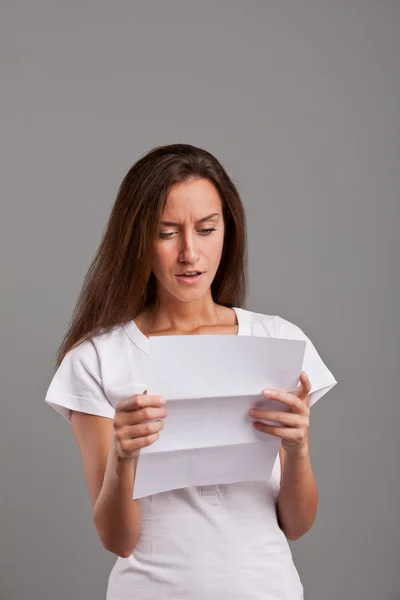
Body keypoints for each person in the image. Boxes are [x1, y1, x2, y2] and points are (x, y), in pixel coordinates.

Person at [45, 143, 337, 600]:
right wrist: (124, 457)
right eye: (166, 232)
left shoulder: (277, 340)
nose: (189, 253)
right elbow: (117, 540)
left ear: (228, 231)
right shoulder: (97, 357)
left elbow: (297, 525)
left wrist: (297, 448)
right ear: (138, 238)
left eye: (205, 229)